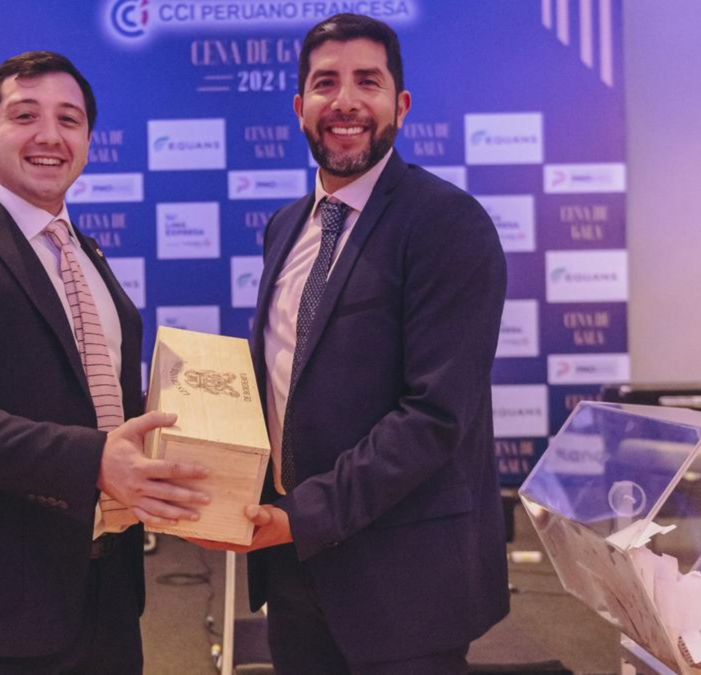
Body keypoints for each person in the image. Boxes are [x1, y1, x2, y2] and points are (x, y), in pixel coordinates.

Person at [0, 51, 210, 673]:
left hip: (107, 596)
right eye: (25, 116)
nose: (50, 135)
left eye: (69, 120)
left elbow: (98, 403)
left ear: (88, 142)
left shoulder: (86, 255)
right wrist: (93, 459)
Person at [192, 13, 510, 674]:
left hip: (404, 581)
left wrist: (301, 516)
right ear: (299, 107)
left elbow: (434, 416)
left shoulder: (447, 223)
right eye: (324, 83)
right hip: (295, 569)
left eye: (367, 81)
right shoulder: (285, 227)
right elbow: (286, 379)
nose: (344, 101)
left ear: (401, 104)